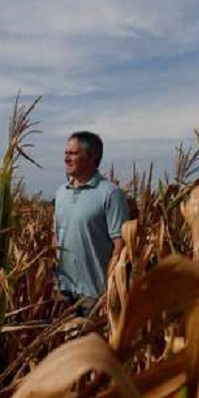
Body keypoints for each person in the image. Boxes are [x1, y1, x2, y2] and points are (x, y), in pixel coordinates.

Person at [54, 131, 130, 315]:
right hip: (63, 292)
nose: (66, 158)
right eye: (66, 153)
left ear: (91, 157)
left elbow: (120, 246)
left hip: (95, 296)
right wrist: (53, 280)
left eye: (73, 154)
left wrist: (110, 291)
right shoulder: (61, 192)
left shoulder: (110, 194)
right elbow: (56, 237)